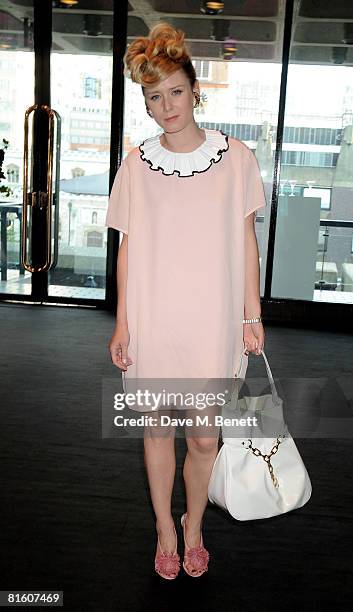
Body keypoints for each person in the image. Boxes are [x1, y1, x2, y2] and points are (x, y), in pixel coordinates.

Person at [105, 22, 266, 579]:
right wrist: (122, 325)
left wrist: (251, 313)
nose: (166, 105)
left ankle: (194, 523)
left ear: (194, 89)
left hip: (212, 322)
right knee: (156, 432)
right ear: (145, 104)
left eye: (175, 90)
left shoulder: (236, 158)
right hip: (156, 320)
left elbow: (246, 240)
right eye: (154, 96)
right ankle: (164, 529)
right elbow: (127, 250)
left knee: (202, 436)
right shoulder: (137, 165)